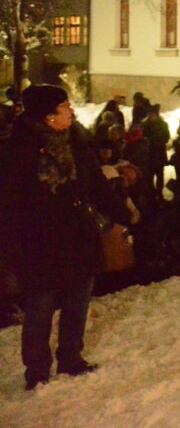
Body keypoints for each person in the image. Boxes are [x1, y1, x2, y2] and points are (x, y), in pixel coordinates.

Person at [0, 86, 117, 389]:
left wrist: (122, 213)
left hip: (79, 236)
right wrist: (12, 250)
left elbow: (97, 183)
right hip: (41, 243)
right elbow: (10, 205)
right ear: (48, 116)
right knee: (41, 307)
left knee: (78, 302)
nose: (71, 112)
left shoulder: (77, 141)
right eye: (64, 106)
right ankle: (37, 371)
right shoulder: (18, 150)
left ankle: (71, 358)